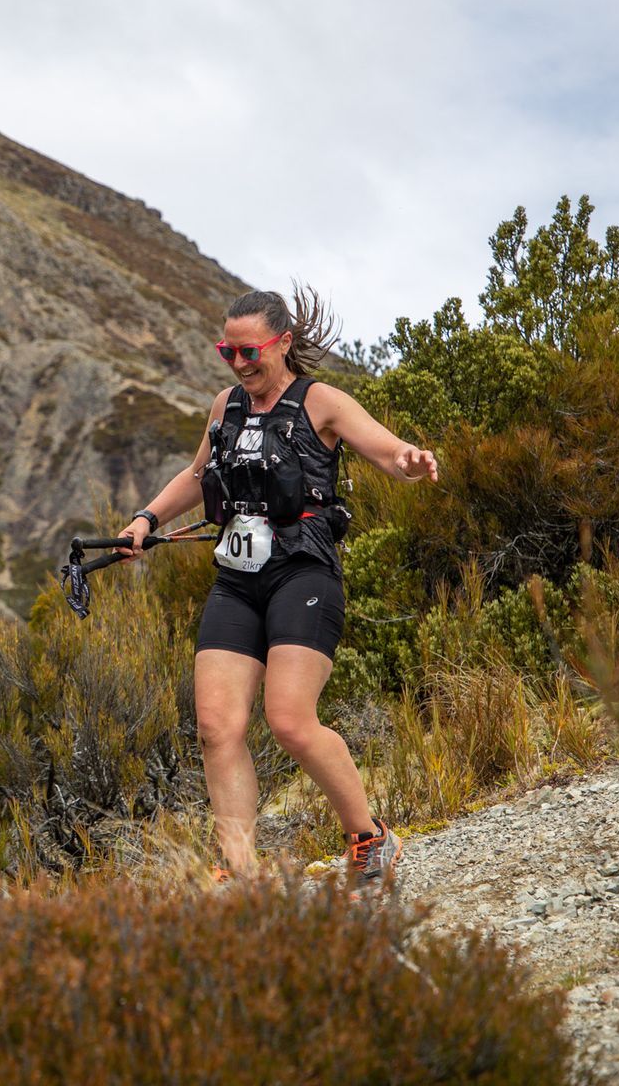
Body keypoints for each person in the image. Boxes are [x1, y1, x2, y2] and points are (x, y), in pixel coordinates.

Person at [115, 287, 439, 892]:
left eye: (249, 351)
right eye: (226, 352)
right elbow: (195, 477)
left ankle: (371, 835)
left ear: (283, 343)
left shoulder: (322, 402)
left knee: (290, 720)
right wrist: (144, 522)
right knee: (217, 725)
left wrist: (411, 461)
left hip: (303, 574)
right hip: (237, 582)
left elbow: (388, 452)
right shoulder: (225, 408)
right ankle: (240, 870)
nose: (238, 364)